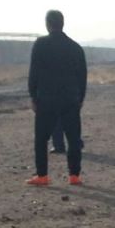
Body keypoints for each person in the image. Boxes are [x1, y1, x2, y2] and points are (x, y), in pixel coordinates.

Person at [26, 10, 87, 186]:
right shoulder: (75, 47)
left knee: (41, 139)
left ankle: (42, 175)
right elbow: (82, 75)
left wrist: (33, 96)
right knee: (73, 138)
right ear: (62, 23)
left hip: (46, 98)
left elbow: (34, 72)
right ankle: (74, 176)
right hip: (70, 98)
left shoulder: (41, 44)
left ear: (47, 24)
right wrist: (80, 97)